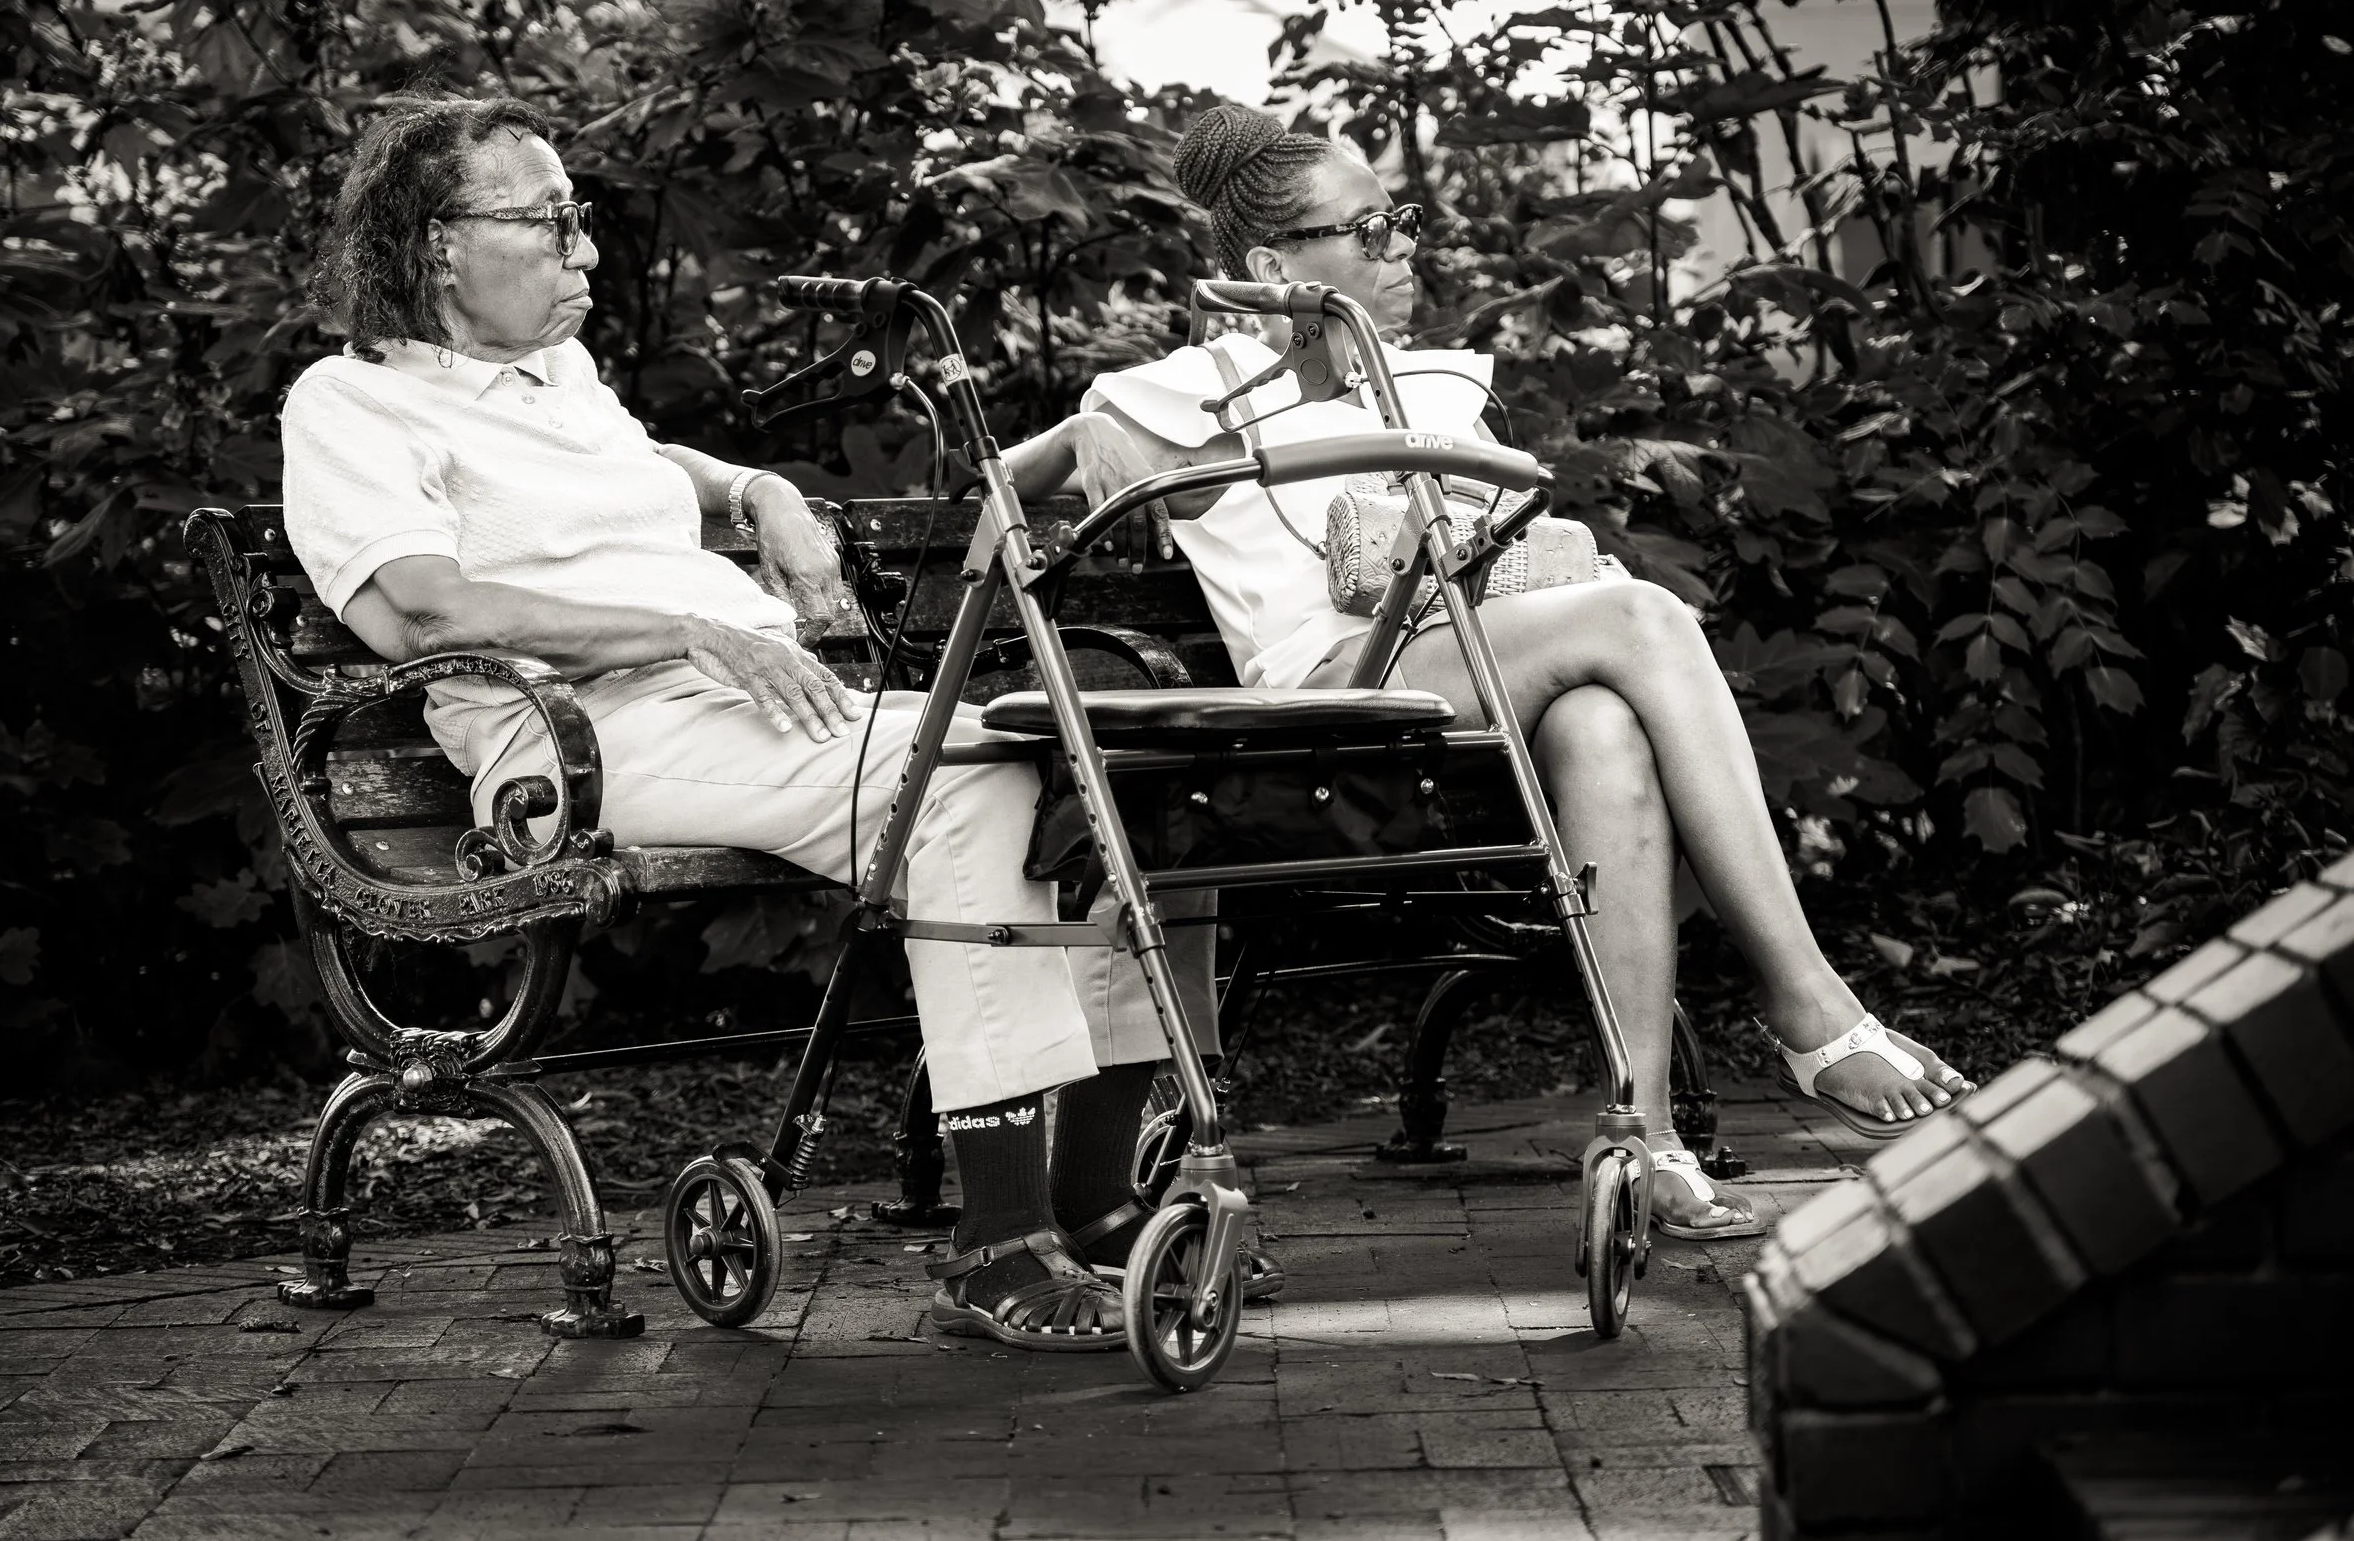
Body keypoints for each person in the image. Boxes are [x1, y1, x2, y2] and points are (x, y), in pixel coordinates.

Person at [279, 96, 1193, 1351]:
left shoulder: (556, 378)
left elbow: (648, 462)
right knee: (970, 784)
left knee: (1103, 778)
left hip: (735, 702)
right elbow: (419, 610)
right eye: (548, 225)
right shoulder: (352, 404)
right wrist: (677, 628)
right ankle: (999, 1246)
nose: (584, 252)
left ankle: (1095, 1211)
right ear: (436, 244)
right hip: (579, 739)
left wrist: (760, 488)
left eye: (577, 220)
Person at [1003, 103, 1974, 1246]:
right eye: (1366, 231)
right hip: (1316, 698)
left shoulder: (1429, 386)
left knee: (1606, 721)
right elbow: (999, 491)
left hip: (1457, 673)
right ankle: (1810, 1005)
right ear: (1273, 265)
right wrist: (1073, 446)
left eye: (1401, 221)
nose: (1403, 247)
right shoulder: (1171, 393)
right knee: (1646, 616)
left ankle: (1641, 1131)